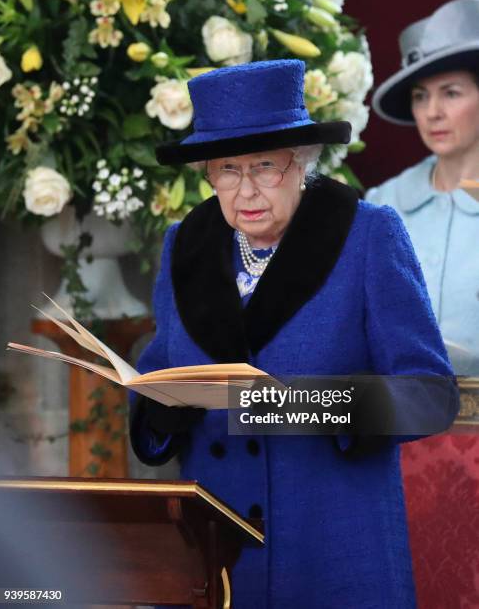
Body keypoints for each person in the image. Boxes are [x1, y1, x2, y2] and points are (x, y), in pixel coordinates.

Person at [130, 59, 458, 608]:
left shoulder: (370, 235)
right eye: (227, 169)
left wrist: (299, 405)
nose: (246, 189)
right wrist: (156, 407)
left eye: (265, 166)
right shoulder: (183, 244)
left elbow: (430, 395)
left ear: (302, 162)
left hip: (332, 552)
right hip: (215, 558)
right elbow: (162, 368)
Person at [369, 0, 479, 375]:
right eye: (421, 96)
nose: (433, 112)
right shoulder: (383, 205)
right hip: (400, 423)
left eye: (451, 92)